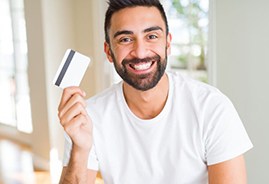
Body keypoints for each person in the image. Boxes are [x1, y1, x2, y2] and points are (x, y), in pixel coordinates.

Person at [58, 0, 253, 183]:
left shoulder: (212, 108)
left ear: (168, 43)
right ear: (109, 52)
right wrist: (81, 150)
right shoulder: (88, 118)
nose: (141, 52)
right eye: (126, 39)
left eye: (151, 36)